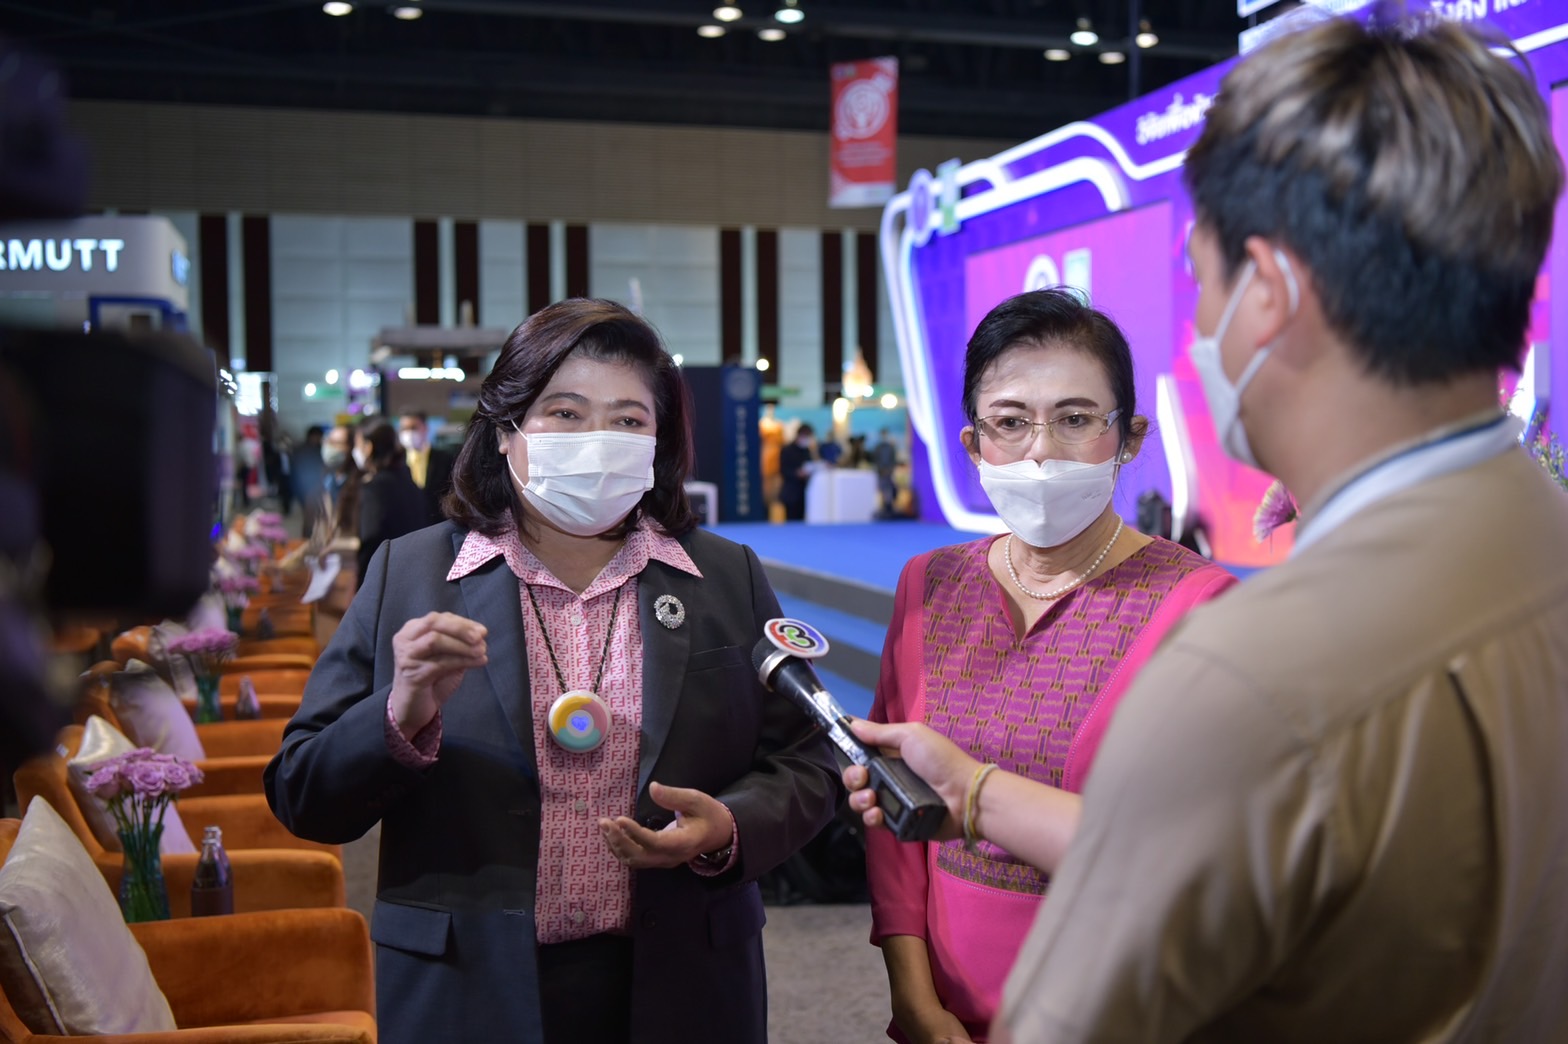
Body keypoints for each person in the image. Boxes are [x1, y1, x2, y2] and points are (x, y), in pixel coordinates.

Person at [846, 13, 1568, 1043]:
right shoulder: (1538, 544)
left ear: (1266, 293)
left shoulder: (1249, 670)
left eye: (1204, 279)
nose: (1197, 331)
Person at [265, 298, 841, 1044]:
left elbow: (808, 761)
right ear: (506, 431)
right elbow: (302, 792)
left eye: (628, 419)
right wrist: (399, 714)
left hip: (683, 981)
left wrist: (729, 826)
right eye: (565, 414)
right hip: (468, 990)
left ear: (659, 441)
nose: (597, 440)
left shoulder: (725, 576)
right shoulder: (409, 573)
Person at [864, 289, 1235, 1044]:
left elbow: (1199, 856)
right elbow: (892, 805)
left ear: (1128, 437)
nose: (1040, 451)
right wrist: (917, 1002)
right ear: (974, 444)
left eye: (1074, 419)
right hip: (944, 1013)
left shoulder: (1199, 605)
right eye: (1010, 422)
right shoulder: (929, 585)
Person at [352, 417, 428, 585]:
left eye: (357, 444)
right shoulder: (406, 479)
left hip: (384, 578)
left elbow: (370, 540)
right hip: (413, 572)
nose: (355, 450)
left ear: (368, 447)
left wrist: (361, 585)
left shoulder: (375, 488)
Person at [399, 410, 456, 526]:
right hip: (406, 527)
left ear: (425, 428)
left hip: (437, 524)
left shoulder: (445, 459)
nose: (409, 433)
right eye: (404, 429)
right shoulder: (397, 462)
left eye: (413, 428)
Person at [290, 425, 326, 537]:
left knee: (313, 513)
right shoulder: (304, 450)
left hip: (313, 486)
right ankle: (309, 535)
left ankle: (310, 535)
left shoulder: (318, 448)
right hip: (307, 487)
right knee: (310, 513)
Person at [778, 422, 815, 521]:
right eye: (806, 436)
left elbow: (810, 465)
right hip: (791, 492)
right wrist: (797, 473)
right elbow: (783, 470)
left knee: (802, 519)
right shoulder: (787, 450)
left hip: (804, 492)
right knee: (791, 520)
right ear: (800, 435)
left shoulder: (806, 450)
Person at [872, 428, 899, 516]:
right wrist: (880, 469)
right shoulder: (878, 447)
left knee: (890, 489)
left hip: (889, 473)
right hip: (880, 473)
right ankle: (882, 508)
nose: (884, 436)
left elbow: (893, 460)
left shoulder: (890, 447)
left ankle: (889, 507)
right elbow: (876, 460)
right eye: (883, 434)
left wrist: (890, 469)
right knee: (881, 489)